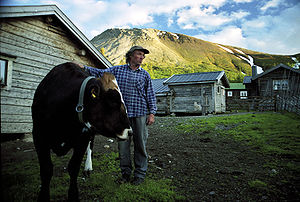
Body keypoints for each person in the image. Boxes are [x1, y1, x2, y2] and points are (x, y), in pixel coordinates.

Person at [81, 46, 157, 185]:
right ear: (130, 56)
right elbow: (101, 72)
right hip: (122, 116)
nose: (142, 57)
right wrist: (84, 67)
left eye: (143, 56)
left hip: (139, 113)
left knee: (140, 145)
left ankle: (139, 175)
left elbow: (150, 94)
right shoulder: (117, 70)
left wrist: (151, 112)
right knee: (123, 146)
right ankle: (125, 174)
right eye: (139, 54)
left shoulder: (145, 74)